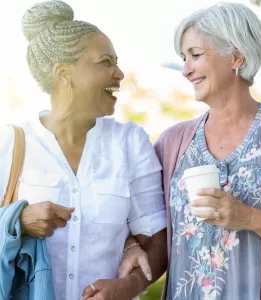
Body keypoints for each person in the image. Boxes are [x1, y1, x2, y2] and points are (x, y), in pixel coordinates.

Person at [0, 1, 167, 299]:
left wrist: (128, 287)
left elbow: (157, 240)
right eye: (105, 62)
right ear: (64, 73)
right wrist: (19, 222)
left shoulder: (129, 142)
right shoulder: (10, 143)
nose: (119, 73)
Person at [155, 2, 261, 300]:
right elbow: (152, 235)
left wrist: (248, 218)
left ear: (235, 56)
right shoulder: (170, 144)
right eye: (183, 58)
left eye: (195, 55)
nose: (185, 70)